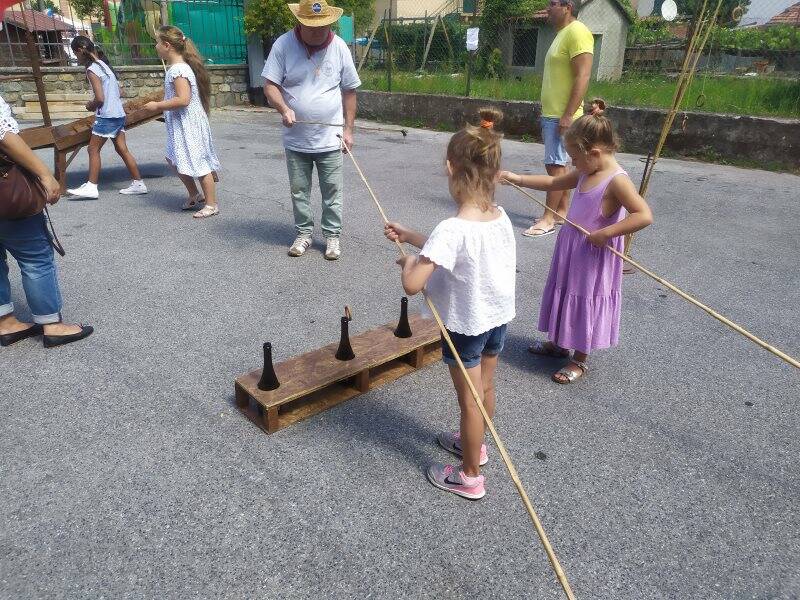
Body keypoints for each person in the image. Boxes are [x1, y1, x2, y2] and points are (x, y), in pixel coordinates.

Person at [384, 108, 515, 500]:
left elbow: (412, 284)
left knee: (468, 402)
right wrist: (412, 236)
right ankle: (476, 445)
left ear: (450, 167)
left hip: (465, 327)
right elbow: (459, 253)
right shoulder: (499, 216)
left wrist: (408, 259)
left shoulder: (451, 228)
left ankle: (469, 475)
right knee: (485, 388)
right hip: (496, 320)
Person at [500, 112, 653, 383]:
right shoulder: (586, 171)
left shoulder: (617, 180)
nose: (572, 162)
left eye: (575, 157)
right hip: (571, 247)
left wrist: (607, 232)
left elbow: (643, 215)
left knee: (584, 299)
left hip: (593, 254)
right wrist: (516, 178)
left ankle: (579, 359)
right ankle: (559, 343)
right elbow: (553, 182)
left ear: (594, 152)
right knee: (565, 291)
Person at [262, 0, 361, 260]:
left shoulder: (339, 46)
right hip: (296, 140)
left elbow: (350, 90)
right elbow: (270, 86)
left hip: (331, 137)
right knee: (299, 190)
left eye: (324, 26)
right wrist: (283, 108)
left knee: (332, 191)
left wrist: (349, 131)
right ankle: (304, 233)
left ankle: (332, 236)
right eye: (313, 27)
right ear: (300, 23)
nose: (320, 32)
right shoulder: (283, 45)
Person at [0, 95, 94, 348]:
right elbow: (4, 135)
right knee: (35, 257)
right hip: (6, 195)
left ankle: (5, 321)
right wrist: (44, 174)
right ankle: (51, 324)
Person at [524, 0, 594, 238]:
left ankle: (548, 218)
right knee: (557, 165)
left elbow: (583, 75)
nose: (547, 8)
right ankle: (562, 212)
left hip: (563, 115)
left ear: (568, 7)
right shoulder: (561, 34)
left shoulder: (577, 32)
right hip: (552, 113)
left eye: (553, 3)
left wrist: (567, 114)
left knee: (556, 167)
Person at [144, 26, 221, 218]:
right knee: (173, 158)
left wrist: (157, 106)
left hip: (189, 124)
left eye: (157, 42)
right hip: (181, 123)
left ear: (167, 45)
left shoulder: (178, 70)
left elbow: (183, 99)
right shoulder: (177, 68)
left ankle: (212, 204)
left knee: (199, 162)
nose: (156, 46)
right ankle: (194, 194)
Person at [66, 36, 147, 199]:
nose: (76, 57)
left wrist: (91, 105)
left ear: (80, 51)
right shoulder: (104, 65)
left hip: (107, 116)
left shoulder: (92, 70)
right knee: (122, 149)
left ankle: (91, 186)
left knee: (93, 149)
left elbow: (100, 98)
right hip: (118, 114)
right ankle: (138, 183)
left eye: (75, 54)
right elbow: (118, 91)